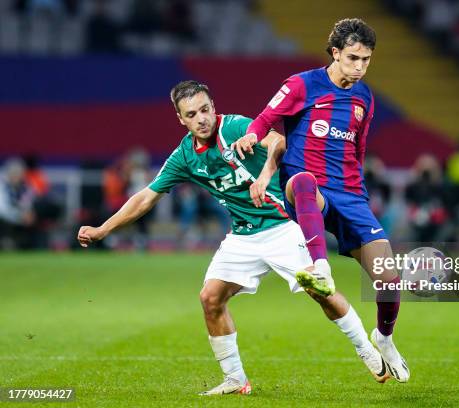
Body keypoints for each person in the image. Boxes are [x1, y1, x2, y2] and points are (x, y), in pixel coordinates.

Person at [77, 80, 389, 396]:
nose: (201, 118)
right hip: (243, 236)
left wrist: (266, 174)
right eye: (192, 114)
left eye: (205, 109)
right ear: (180, 119)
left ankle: (367, 349)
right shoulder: (185, 156)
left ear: (214, 107)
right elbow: (146, 197)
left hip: (284, 223)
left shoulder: (237, 126)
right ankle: (236, 379)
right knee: (210, 298)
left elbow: (279, 142)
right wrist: (103, 229)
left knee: (319, 289)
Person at [233, 18, 409, 383]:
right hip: (305, 189)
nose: (360, 67)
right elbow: (266, 119)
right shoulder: (302, 84)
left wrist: (358, 195)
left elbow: (358, 150)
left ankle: (385, 338)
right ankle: (320, 267)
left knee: (389, 281)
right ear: (334, 53)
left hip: (350, 195)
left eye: (366, 60)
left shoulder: (364, 98)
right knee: (305, 181)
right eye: (353, 58)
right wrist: (252, 136)